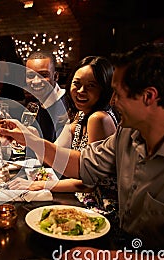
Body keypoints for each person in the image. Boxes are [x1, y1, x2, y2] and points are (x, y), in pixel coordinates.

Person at [0, 42, 164, 260]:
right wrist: (30, 139)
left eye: (118, 94)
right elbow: (83, 164)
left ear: (149, 97)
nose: (111, 101)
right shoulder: (128, 134)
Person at [9, 56, 119, 217]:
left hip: (99, 206)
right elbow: (59, 150)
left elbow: (89, 183)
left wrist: (41, 184)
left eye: (91, 86)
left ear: (104, 89)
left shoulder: (99, 118)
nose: (81, 91)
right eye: (77, 84)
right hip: (80, 196)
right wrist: (25, 135)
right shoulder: (83, 115)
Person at [24, 50, 68, 143]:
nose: (36, 81)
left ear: (55, 76)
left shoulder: (66, 106)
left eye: (43, 75)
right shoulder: (39, 105)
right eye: (30, 75)